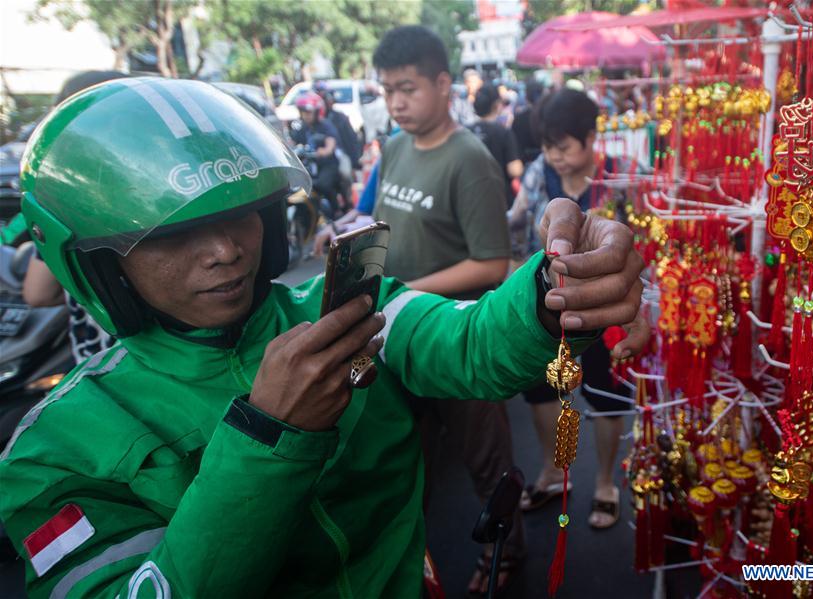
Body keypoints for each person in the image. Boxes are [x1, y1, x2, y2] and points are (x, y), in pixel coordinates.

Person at [0, 78, 645, 598]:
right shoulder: (53, 453)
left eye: (239, 215)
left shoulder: (347, 309)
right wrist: (269, 438)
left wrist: (555, 284)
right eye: (169, 236)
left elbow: (471, 340)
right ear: (95, 264)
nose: (225, 250)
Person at [372, 27, 523, 594]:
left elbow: (492, 264)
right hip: (396, 336)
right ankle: (413, 559)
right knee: (405, 461)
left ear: (442, 84)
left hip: (461, 341)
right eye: (387, 91)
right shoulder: (393, 147)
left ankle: (507, 553)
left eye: (407, 88)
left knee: (487, 462)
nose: (396, 103)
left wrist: (406, 288)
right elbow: (390, 226)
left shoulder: (471, 160)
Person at [510, 88, 648, 530]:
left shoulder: (624, 176)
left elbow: (646, 245)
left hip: (606, 313)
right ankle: (553, 472)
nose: (554, 157)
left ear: (591, 137)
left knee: (608, 395)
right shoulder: (538, 174)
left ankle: (606, 482)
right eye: (548, 147)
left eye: (563, 146)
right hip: (547, 310)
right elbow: (518, 227)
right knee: (539, 390)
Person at [22, 70, 130, 362]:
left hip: (97, 372)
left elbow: (38, 293)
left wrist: (88, 298)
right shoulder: (155, 192)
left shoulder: (57, 202)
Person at [467, 84, 523, 208]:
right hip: (500, 199)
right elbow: (514, 169)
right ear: (496, 105)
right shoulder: (503, 132)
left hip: (471, 199)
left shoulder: (465, 132)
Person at [290, 93, 342, 208]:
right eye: (303, 112)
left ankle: (336, 210)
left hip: (327, 164)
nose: (306, 115)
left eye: (308, 112)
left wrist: (323, 151)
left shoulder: (325, 125)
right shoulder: (301, 127)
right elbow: (292, 143)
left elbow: (330, 145)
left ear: (317, 112)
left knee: (323, 185)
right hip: (307, 165)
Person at [314, 83, 361, 170]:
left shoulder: (340, 118)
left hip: (335, 162)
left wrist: (354, 164)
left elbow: (350, 142)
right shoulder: (306, 123)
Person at [511, 78, 545, 166]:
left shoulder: (519, 118)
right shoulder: (548, 115)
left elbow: (515, 144)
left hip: (525, 162)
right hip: (547, 161)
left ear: (526, 97)